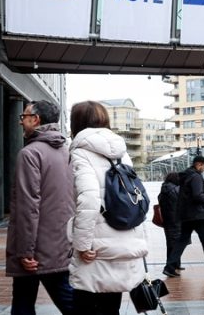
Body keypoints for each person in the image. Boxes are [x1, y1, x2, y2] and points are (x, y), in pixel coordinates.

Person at [68, 101, 148, 314]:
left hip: (96, 247)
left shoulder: (81, 152)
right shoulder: (122, 153)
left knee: (83, 305)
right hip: (125, 239)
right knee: (111, 307)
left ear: (76, 123)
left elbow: (89, 200)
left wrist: (83, 245)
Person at [7, 100, 75, 315]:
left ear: (35, 120)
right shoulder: (66, 152)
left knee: (25, 304)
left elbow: (27, 205)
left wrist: (25, 250)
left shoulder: (30, 154)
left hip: (35, 250)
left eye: (23, 117)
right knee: (61, 299)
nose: (20, 122)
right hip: (60, 243)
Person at [163, 156, 204, 277]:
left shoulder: (186, 176)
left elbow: (190, 194)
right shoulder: (196, 177)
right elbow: (197, 196)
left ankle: (169, 267)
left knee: (182, 241)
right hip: (198, 215)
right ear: (199, 165)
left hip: (187, 214)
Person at [158, 172, 186, 275]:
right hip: (176, 220)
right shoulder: (175, 190)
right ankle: (170, 267)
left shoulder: (164, 188)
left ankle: (176, 264)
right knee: (176, 244)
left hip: (167, 220)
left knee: (170, 243)